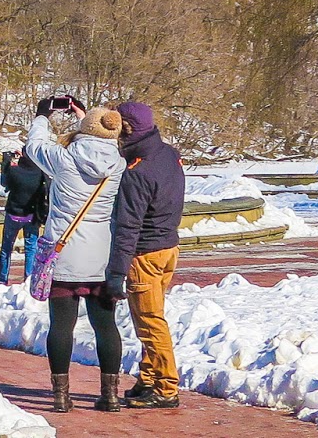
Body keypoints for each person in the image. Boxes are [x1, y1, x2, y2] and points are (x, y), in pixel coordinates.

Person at [24, 96, 127, 414]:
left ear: (85, 129)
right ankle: (109, 395)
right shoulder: (119, 164)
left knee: (61, 326)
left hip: (64, 255)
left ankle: (60, 396)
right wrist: (89, 119)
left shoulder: (63, 158)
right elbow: (104, 134)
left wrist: (44, 115)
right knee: (106, 326)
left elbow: (34, 146)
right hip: (100, 258)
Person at [105, 101, 186, 409]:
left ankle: (166, 387)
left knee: (150, 323)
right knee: (150, 318)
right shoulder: (168, 153)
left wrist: (116, 272)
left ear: (126, 128)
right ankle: (148, 379)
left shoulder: (136, 172)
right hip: (168, 248)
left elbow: (128, 227)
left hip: (145, 254)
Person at [0, 149, 48, 285]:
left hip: (13, 214)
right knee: (31, 248)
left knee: (6, 248)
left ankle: (2, 278)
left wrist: (7, 163)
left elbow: (4, 183)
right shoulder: (40, 173)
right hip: (31, 216)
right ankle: (28, 279)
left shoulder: (15, 172)